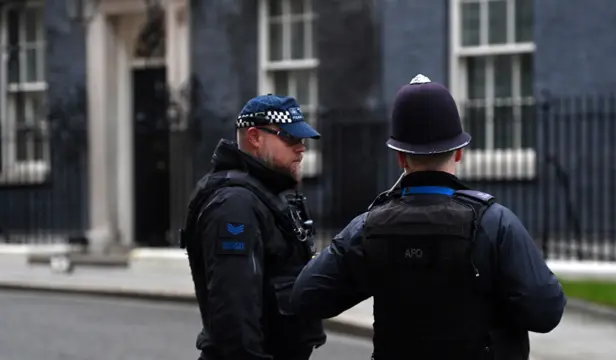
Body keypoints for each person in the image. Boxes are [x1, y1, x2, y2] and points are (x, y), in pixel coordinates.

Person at [289, 75, 567, 359]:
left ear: (400, 157)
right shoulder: (495, 223)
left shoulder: (369, 227)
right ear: (459, 152)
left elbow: (306, 296)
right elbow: (546, 311)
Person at [179, 94, 326, 360]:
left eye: (302, 140)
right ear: (255, 137)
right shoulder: (235, 206)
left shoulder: (265, 195)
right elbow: (234, 319)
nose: (301, 148)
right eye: (290, 138)